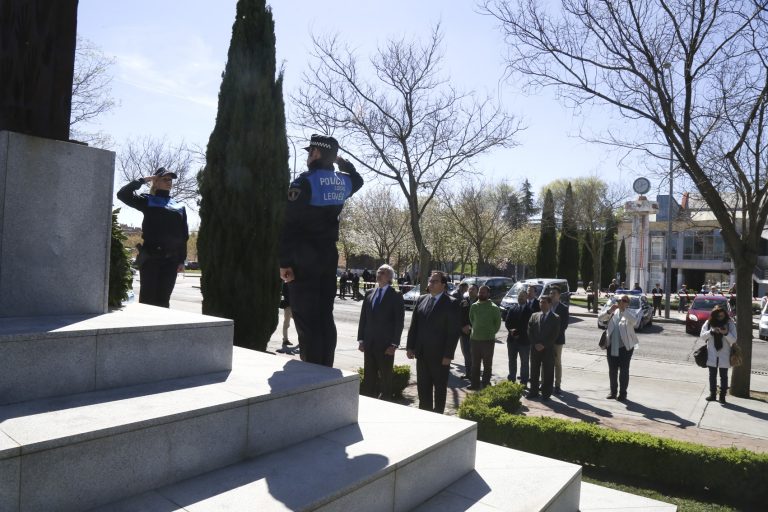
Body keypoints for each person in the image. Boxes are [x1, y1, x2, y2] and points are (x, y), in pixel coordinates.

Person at [279, 134, 363, 367]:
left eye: (310, 152)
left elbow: (289, 223)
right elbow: (358, 180)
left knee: (306, 315)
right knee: (325, 314)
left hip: (304, 255)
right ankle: (326, 366)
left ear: (316, 153)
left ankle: (312, 369)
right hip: (328, 255)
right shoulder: (342, 182)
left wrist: (284, 262)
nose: (308, 156)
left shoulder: (303, 182)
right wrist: (343, 163)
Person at [117, 167, 188, 308]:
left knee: (164, 300)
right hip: (151, 258)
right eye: (165, 179)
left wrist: (181, 260)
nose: (169, 182)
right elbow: (122, 194)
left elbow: (183, 234)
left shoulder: (179, 206)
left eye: (170, 180)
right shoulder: (148, 200)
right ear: (156, 182)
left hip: (171, 261)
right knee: (148, 300)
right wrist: (145, 179)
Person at [406, 271, 461, 414]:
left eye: (434, 281)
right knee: (423, 387)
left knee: (439, 388)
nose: (430, 283)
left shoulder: (451, 303)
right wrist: (410, 347)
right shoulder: (422, 299)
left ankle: (438, 415)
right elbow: (414, 325)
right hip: (421, 353)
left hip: (440, 355)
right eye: (430, 281)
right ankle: (425, 413)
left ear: (443, 285)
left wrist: (448, 355)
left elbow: (453, 332)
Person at [357, 264, 405, 400]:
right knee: (369, 378)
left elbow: (399, 322)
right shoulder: (369, 293)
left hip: (386, 346)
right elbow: (363, 318)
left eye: (382, 272)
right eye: (378, 271)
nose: (379, 274)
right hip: (369, 343)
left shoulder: (395, 295)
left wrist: (394, 344)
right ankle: (368, 401)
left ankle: (385, 402)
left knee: (385, 379)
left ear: (390, 277)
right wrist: (361, 340)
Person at [598, 294, 640, 401]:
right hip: (611, 346)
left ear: (627, 303)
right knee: (612, 370)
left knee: (624, 371)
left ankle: (622, 394)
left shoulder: (630, 313)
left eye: (624, 301)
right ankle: (613, 392)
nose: (621, 302)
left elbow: (635, 321)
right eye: (619, 300)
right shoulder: (613, 312)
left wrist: (623, 311)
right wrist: (609, 311)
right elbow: (600, 318)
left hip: (625, 348)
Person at [699, 306, 737, 404]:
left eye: (722, 316)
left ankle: (722, 396)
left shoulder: (730, 323)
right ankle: (712, 394)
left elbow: (733, 340)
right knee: (712, 376)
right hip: (712, 354)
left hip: (724, 355)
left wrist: (726, 333)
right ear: (714, 315)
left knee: (724, 376)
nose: (720, 318)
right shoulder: (709, 323)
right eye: (718, 316)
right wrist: (711, 332)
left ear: (725, 315)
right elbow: (702, 336)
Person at [468, 285, 502, 390]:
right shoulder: (474, 306)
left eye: (483, 292)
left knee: (487, 364)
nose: (481, 294)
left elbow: (497, 324)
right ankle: (474, 384)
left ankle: (486, 384)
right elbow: (471, 319)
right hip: (475, 340)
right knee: (475, 364)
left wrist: (489, 332)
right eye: (480, 292)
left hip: (488, 340)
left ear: (488, 294)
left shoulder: (494, 308)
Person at [527, 296, 559, 401]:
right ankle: (533, 391)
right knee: (534, 370)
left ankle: (546, 394)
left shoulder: (555, 318)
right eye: (540, 302)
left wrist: (544, 345)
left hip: (548, 349)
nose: (541, 304)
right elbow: (529, 331)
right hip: (535, 348)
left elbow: (554, 334)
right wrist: (535, 344)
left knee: (548, 372)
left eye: (544, 302)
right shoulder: (534, 315)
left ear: (550, 304)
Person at [504, 290, 532, 386]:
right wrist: (511, 330)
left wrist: (518, 333)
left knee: (524, 362)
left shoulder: (530, 310)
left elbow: (527, 325)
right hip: (512, 340)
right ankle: (511, 379)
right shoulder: (512, 308)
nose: (520, 298)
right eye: (519, 296)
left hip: (524, 340)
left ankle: (524, 382)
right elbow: (507, 322)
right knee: (512, 360)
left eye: (523, 296)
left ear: (526, 297)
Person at [550, 286, 569, 396]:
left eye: (554, 293)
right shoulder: (547, 306)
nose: (552, 295)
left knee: (557, 363)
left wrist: (553, 336)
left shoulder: (563, 308)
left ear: (559, 295)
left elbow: (564, 325)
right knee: (545, 363)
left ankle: (557, 385)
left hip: (557, 340)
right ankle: (544, 383)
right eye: (551, 293)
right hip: (546, 341)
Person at [458, 284, 479, 380]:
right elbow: (459, 316)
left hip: (476, 333)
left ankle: (474, 374)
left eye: (473, 289)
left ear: (477, 291)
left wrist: (470, 326)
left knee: (475, 354)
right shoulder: (463, 302)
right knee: (466, 353)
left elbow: (480, 318)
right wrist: (462, 327)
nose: (471, 290)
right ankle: (468, 373)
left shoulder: (480, 302)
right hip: (464, 333)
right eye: (470, 289)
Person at [280, 282, 293, 348]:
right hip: (288, 306)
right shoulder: (286, 284)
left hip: (294, 306)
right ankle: (285, 340)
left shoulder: (295, 283)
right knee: (286, 324)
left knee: (299, 324)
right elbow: (285, 294)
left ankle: (302, 339)